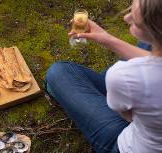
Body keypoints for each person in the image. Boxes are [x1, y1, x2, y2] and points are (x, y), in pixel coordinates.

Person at [46, 0, 162, 152]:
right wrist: (107, 38)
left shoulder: (123, 74)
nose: (126, 18)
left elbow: (128, 117)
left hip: (127, 144)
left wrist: (120, 88)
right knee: (146, 44)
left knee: (58, 73)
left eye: (136, 22)